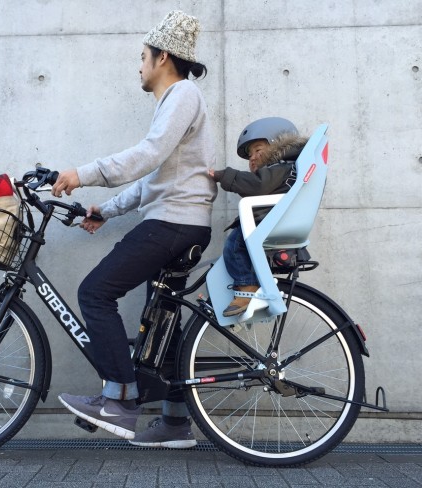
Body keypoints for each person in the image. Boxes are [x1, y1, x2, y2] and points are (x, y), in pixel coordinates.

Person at [50, 11, 217, 447]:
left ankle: (120, 399)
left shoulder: (182, 94)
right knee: (163, 327)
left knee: (95, 292)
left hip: (173, 224)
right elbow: (152, 178)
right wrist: (106, 210)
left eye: (143, 56)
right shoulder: (177, 103)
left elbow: (148, 154)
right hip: (180, 222)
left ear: (163, 56)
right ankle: (176, 422)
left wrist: (82, 173)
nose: (139, 65)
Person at [210, 117, 308, 316]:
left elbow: (257, 185)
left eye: (258, 150)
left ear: (276, 146)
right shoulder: (288, 170)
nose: (252, 158)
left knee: (235, 246)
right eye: (249, 155)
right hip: (274, 223)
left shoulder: (281, 168)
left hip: (265, 224)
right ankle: (248, 291)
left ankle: (246, 290)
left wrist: (222, 175)